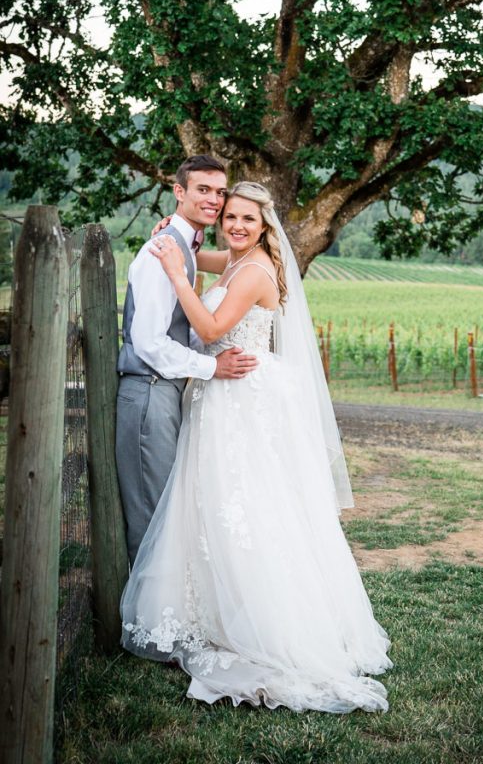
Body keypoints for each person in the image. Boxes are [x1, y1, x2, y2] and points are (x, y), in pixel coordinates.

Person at [120, 182, 392, 712]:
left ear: (267, 226)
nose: (237, 226)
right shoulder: (240, 255)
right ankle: (218, 606)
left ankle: (264, 620)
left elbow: (211, 325)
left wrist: (178, 274)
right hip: (221, 397)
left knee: (244, 506)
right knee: (218, 507)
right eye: (230, 216)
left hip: (240, 396)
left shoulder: (255, 270)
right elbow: (207, 252)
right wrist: (179, 240)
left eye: (248, 219)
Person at [116, 155, 258, 565]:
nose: (213, 200)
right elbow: (148, 342)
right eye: (203, 190)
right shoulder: (164, 252)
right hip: (149, 392)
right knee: (151, 512)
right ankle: (144, 628)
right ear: (179, 192)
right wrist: (213, 367)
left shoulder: (186, 249)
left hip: (166, 392)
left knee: (166, 510)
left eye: (219, 192)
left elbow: (184, 328)